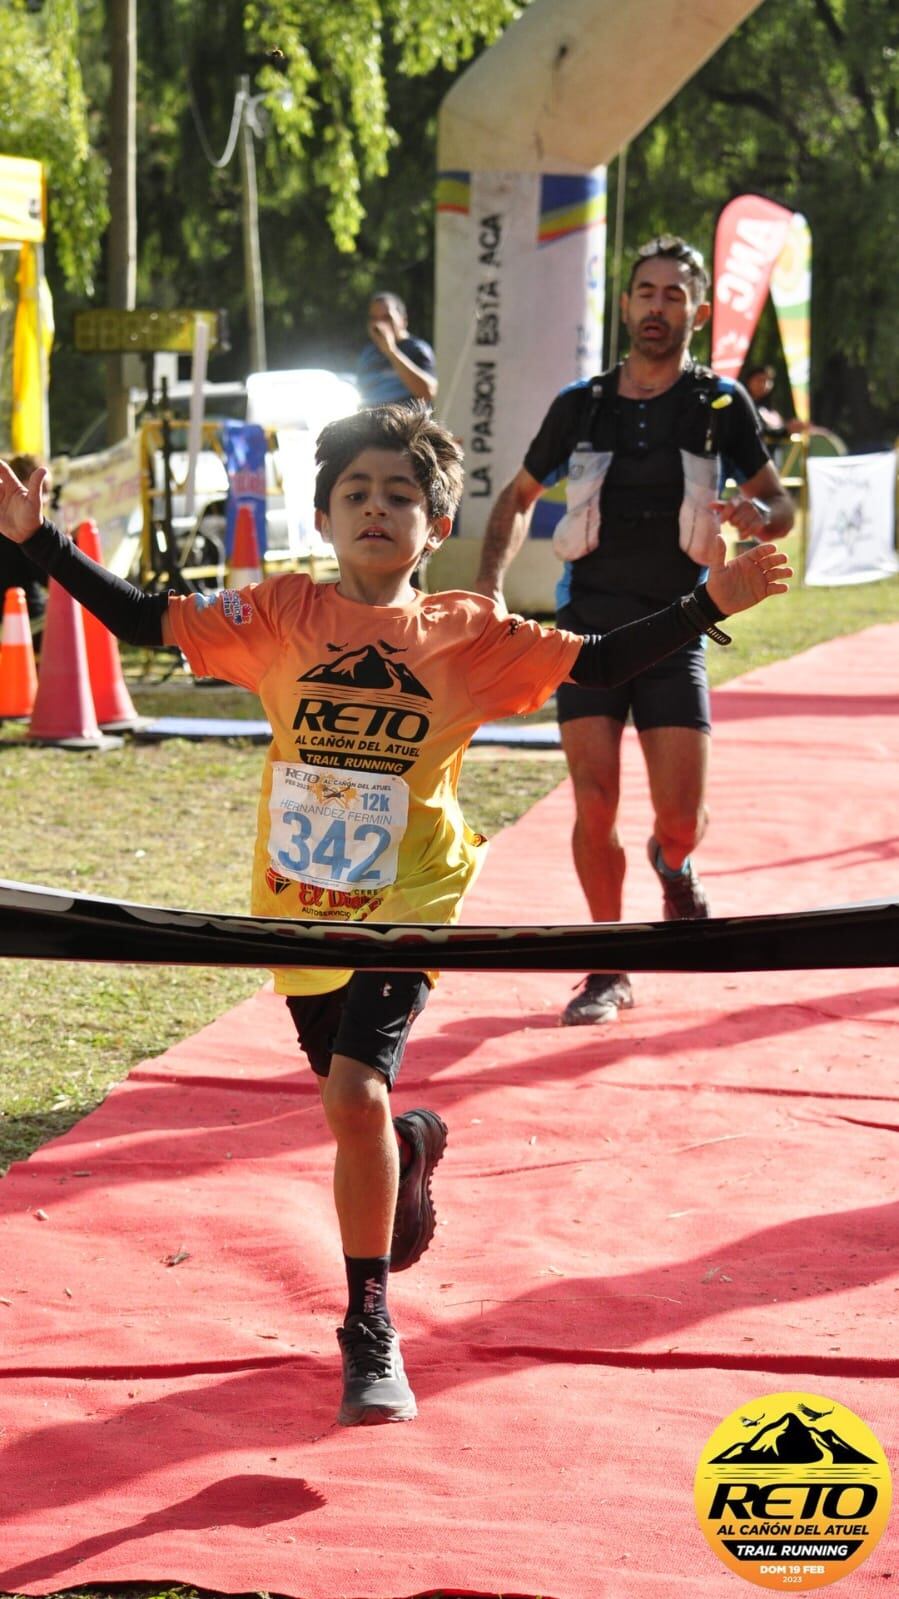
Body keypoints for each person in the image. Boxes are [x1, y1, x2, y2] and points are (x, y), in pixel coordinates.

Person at [0, 404, 790, 1426]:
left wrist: (705, 599)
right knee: (353, 1102)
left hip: (413, 901)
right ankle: (409, 1147)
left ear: (433, 521)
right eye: (357, 494)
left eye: (401, 496)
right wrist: (40, 543)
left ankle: (366, 1325)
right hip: (293, 908)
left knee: (349, 1097)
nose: (377, 509)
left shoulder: (462, 631)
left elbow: (592, 661)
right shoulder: (279, 613)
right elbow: (145, 619)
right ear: (325, 516)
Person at [473, 235, 795, 1027]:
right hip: (586, 634)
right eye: (645, 292)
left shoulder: (719, 404)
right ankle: (606, 965)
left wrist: (759, 518)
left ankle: (672, 863)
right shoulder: (579, 405)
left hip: (677, 631)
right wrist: (484, 590)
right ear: (625, 305)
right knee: (592, 801)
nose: (657, 307)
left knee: (680, 816)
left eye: (673, 295)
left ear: (698, 309)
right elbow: (516, 498)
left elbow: (776, 503)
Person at [355, 292, 438, 409]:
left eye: (387, 318)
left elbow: (429, 392)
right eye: (374, 318)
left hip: (406, 424)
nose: (379, 324)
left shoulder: (417, 349)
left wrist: (391, 351)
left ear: (403, 320)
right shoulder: (368, 353)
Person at [0, 453, 47, 642]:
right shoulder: (22, 528)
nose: (46, 498)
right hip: (27, 622)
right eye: (43, 489)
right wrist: (67, 546)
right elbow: (53, 580)